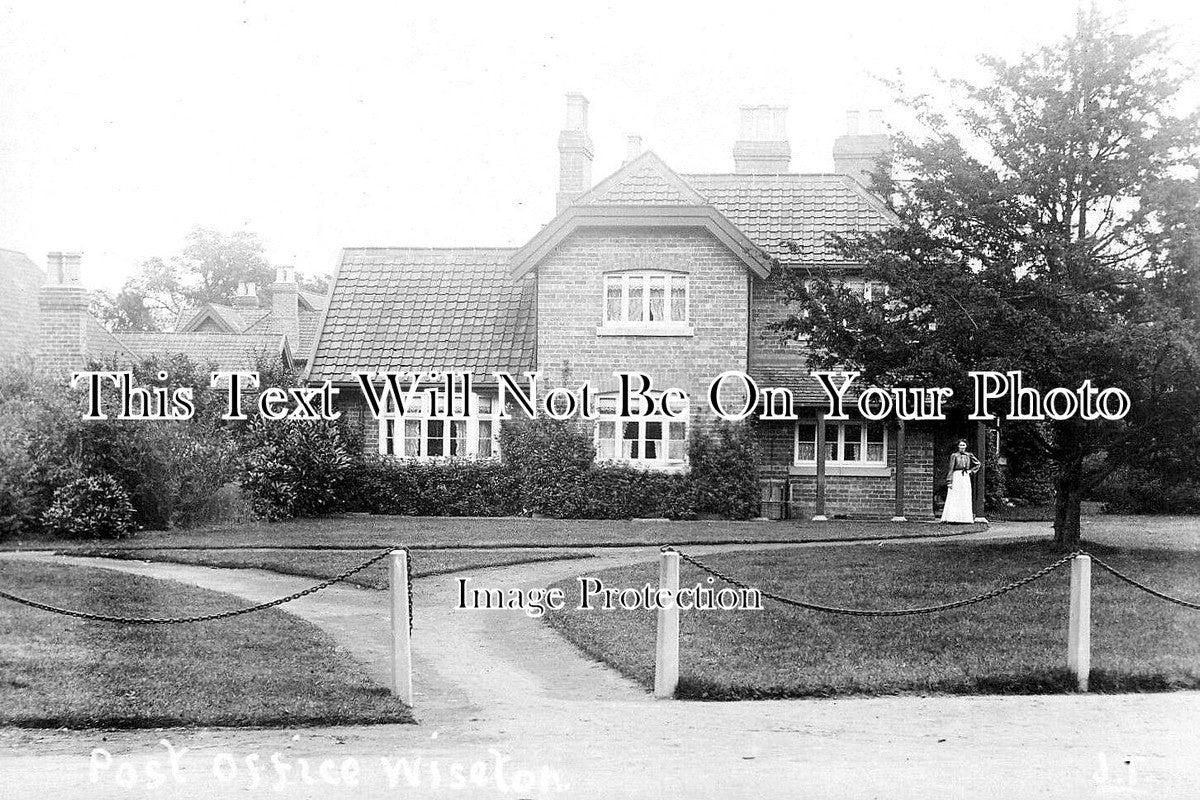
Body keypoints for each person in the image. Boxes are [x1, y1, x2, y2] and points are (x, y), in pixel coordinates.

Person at [940, 439, 980, 523]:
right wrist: (949, 481)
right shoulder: (954, 455)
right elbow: (951, 468)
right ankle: (952, 518)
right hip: (957, 476)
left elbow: (978, 464)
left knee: (964, 495)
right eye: (960, 445)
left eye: (963, 445)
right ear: (958, 446)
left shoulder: (969, 455)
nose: (962, 447)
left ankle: (965, 518)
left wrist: (971, 471)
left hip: (965, 476)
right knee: (955, 495)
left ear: (966, 446)